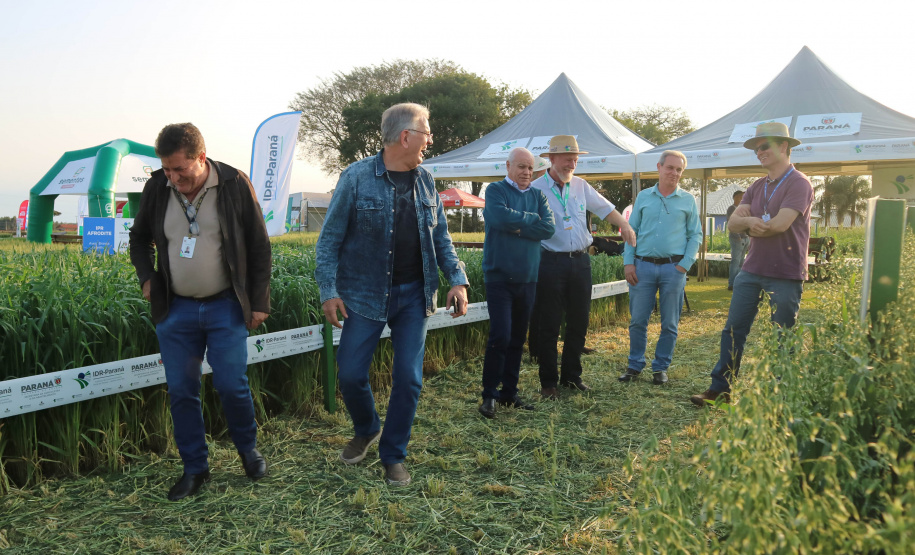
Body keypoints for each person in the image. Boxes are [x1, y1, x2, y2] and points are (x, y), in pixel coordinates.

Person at [315, 103, 469, 486]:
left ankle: (393, 455)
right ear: (406, 136)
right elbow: (329, 240)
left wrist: (457, 279)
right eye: (426, 132)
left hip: (414, 295)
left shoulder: (426, 180)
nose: (430, 140)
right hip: (364, 295)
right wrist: (328, 291)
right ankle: (367, 427)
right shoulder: (355, 178)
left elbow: (440, 237)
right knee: (350, 373)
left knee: (409, 378)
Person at [129, 123, 271, 501]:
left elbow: (259, 246)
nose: (173, 179)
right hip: (175, 311)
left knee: (231, 384)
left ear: (201, 158)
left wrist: (259, 303)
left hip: (225, 304)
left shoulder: (234, 184)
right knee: (181, 391)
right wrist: (147, 278)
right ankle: (195, 469)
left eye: (181, 170)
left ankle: (248, 451)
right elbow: (139, 237)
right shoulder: (158, 186)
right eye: (167, 171)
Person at [690, 122, 814, 406]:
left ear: (784, 146)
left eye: (764, 146)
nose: (759, 152)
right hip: (752, 269)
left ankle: (780, 397)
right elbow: (733, 223)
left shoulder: (799, 183)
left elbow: (781, 224)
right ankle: (720, 389)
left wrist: (751, 223)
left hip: (786, 273)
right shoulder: (758, 186)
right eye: (756, 148)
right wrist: (749, 222)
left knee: (782, 336)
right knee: (733, 331)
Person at [530, 135, 636, 400]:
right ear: (551, 159)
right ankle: (548, 382)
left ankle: (571, 376)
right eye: (567, 159)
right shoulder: (534, 188)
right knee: (549, 324)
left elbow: (606, 209)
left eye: (575, 159)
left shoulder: (580, 186)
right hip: (549, 262)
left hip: (580, 262)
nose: (572, 163)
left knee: (579, 322)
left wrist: (625, 225)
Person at [478, 148, 555, 419]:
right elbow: (498, 217)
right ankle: (489, 395)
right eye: (521, 167)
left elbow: (548, 228)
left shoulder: (537, 195)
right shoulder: (495, 190)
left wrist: (518, 225)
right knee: (500, 335)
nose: (526, 173)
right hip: (499, 276)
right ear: (508, 166)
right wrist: (530, 221)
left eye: (530, 168)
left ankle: (509, 393)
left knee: (518, 337)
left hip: (528, 277)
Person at [618, 150, 701, 385]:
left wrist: (685, 265)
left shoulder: (688, 200)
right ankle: (634, 365)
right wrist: (628, 263)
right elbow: (630, 232)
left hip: (673, 269)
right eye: (670, 168)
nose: (674, 173)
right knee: (638, 321)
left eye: (679, 169)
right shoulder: (643, 197)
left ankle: (660, 368)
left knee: (670, 323)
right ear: (659, 167)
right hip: (642, 267)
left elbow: (696, 235)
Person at [726, 190, 749, 290]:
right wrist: (738, 236)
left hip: (746, 237)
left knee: (741, 261)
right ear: (735, 197)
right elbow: (731, 223)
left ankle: (738, 282)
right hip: (737, 238)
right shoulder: (732, 208)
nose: (742, 198)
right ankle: (731, 283)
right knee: (735, 261)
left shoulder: (743, 209)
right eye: (740, 196)